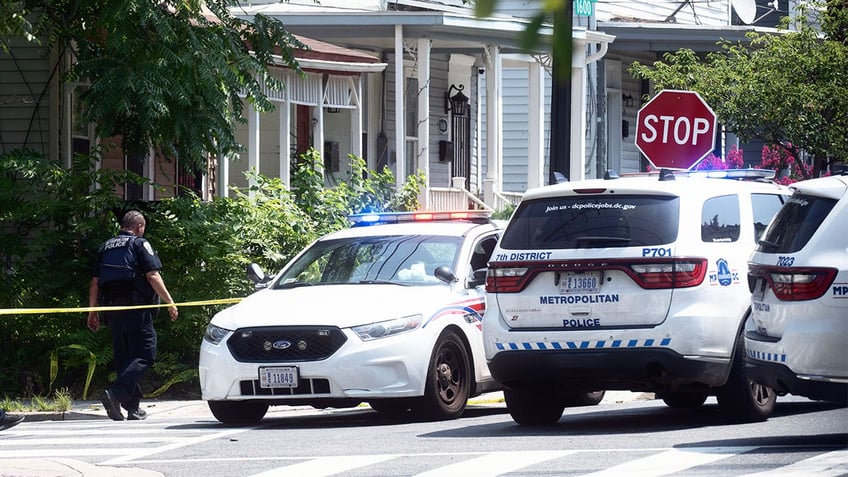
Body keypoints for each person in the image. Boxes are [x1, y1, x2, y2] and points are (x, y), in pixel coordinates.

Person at [87, 210, 178, 421]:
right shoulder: (139, 244)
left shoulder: (105, 247)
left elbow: (94, 283)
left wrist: (93, 312)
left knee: (125, 358)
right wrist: (170, 302)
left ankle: (132, 408)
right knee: (146, 353)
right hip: (137, 309)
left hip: (112, 311)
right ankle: (115, 394)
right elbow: (152, 275)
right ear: (139, 227)